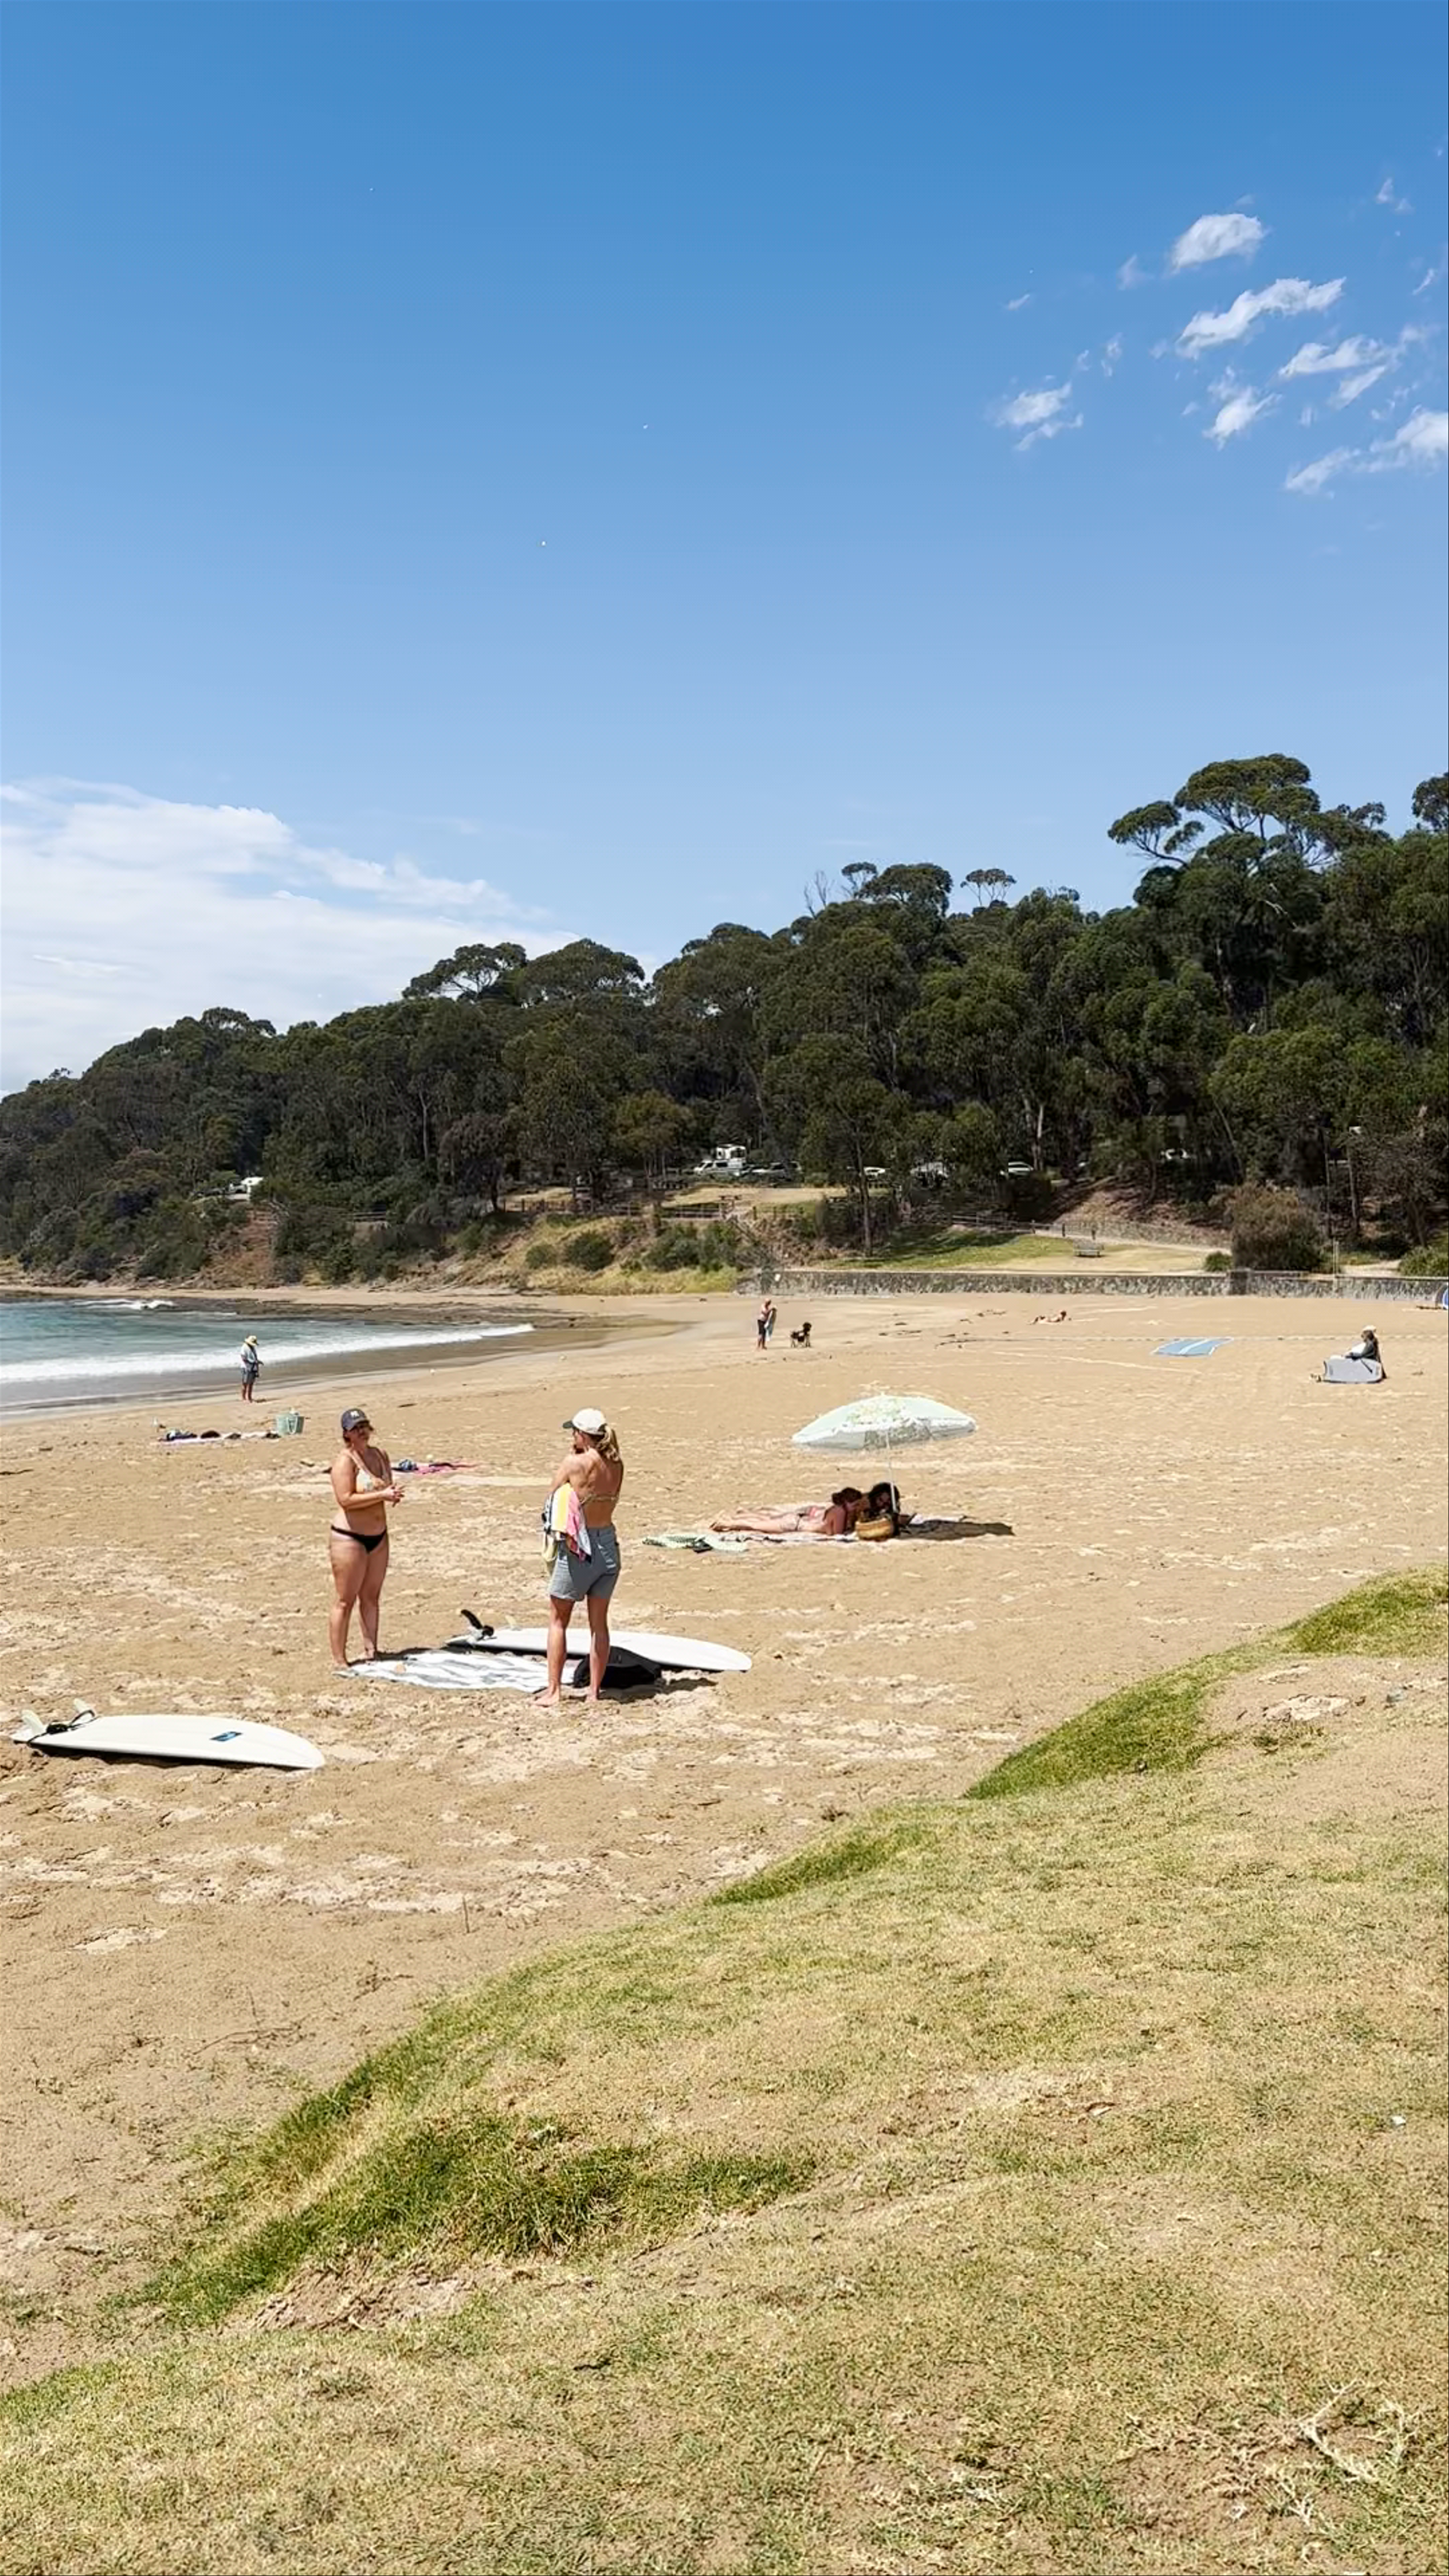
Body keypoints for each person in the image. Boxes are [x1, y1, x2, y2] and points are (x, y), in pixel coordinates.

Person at [537, 1406, 625, 1707]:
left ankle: (553, 1691)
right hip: (608, 1545)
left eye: (574, 1432)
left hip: (581, 1548)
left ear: (583, 1435)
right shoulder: (618, 1465)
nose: (571, 1437)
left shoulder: (574, 1464)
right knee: (599, 1624)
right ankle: (594, 1692)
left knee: (558, 1619)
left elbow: (552, 1497)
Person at [328, 1406, 401, 1666]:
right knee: (345, 1600)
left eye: (365, 1426)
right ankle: (340, 1659)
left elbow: (386, 1486)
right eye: (357, 1428)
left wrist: (392, 1494)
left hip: (379, 1536)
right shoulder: (345, 1461)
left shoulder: (380, 1455)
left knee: (371, 1597)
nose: (363, 1431)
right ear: (347, 1434)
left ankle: (372, 1651)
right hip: (350, 1538)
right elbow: (345, 1499)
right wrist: (381, 1496)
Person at [709, 1487, 864, 1537]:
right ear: (846, 1503)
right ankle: (728, 1523)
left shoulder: (835, 1509)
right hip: (794, 1525)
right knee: (756, 1527)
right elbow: (836, 1535)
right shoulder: (840, 1513)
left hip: (798, 1521)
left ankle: (737, 1516)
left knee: (765, 1519)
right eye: (855, 1505)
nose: (857, 1508)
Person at [239, 1334, 261, 1402]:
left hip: (253, 1367)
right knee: (245, 1384)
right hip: (246, 1368)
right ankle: (244, 1398)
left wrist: (257, 1362)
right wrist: (252, 1362)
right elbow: (244, 1358)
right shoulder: (244, 1347)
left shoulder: (252, 1348)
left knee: (251, 1384)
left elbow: (254, 1357)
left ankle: (249, 1398)